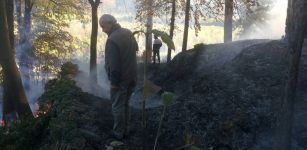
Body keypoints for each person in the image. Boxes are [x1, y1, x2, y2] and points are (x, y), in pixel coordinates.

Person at [99, 14, 138, 140]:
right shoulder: (128, 33)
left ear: (110, 23)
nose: (102, 30)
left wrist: (114, 82)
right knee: (126, 104)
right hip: (132, 77)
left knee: (117, 106)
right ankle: (126, 130)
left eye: (103, 26)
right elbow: (135, 49)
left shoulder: (112, 40)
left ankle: (118, 133)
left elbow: (114, 65)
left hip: (120, 80)